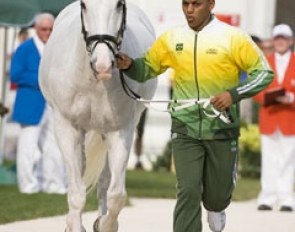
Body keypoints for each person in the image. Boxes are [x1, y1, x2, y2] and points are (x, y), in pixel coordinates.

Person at [117, 0, 273, 231]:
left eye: (196, 4)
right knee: (188, 190)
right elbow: (147, 68)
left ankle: (217, 207)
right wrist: (130, 65)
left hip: (221, 128)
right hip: (185, 126)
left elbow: (264, 74)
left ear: (211, 4)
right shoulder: (171, 38)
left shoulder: (233, 37)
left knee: (216, 197)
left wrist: (233, 94)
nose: (189, 10)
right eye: (185, 4)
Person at [10, 13, 67, 194]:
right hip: (29, 104)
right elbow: (15, 74)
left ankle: (53, 183)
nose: (48, 33)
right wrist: (43, 79)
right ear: (35, 27)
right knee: (27, 147)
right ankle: (27, 184)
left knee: (54, 145)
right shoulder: (24, 49)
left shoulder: (57, 49)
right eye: (44, 29)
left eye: (51, 29)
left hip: (52, 104)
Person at [254, 24, 295, 212]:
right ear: (273, 40)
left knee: (288, 160)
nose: (280, 41)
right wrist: (267, 98)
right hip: (269, 117)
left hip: (290, 119)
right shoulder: (263, 62)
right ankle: (267, 197)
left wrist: (290, 98)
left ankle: (286, 198)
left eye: (284, 38)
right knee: (269, 159)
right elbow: (255, 88)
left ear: (290, 41)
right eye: (277, 38)